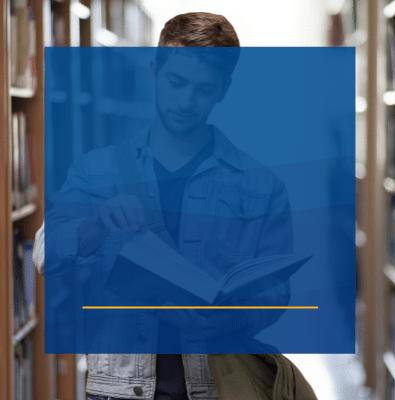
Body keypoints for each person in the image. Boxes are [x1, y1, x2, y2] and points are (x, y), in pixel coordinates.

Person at [36, 12, 316, 400]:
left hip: (217, 385)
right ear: (154, 71)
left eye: (204, 88)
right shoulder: (96, 168)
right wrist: (96, 225)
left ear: (224, 89)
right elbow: (46, 254)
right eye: (176, 82)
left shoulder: (262, 185)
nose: (185, 101)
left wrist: (226, 319)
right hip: (119, 388)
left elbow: (275, 291)